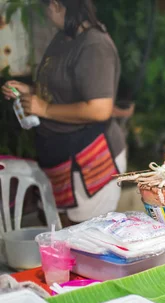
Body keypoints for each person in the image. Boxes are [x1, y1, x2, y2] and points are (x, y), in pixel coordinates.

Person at [2, 0, 127, 226]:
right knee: (60, 231)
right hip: (59, 159)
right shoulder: (64, 38)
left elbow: (100, 109)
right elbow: (64, 89)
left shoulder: (94, 44)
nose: (46, 13)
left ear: (58, 5)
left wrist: (45, 108)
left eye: (46, 7)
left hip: (89, 159)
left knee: (86, 238)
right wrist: (31, 91)